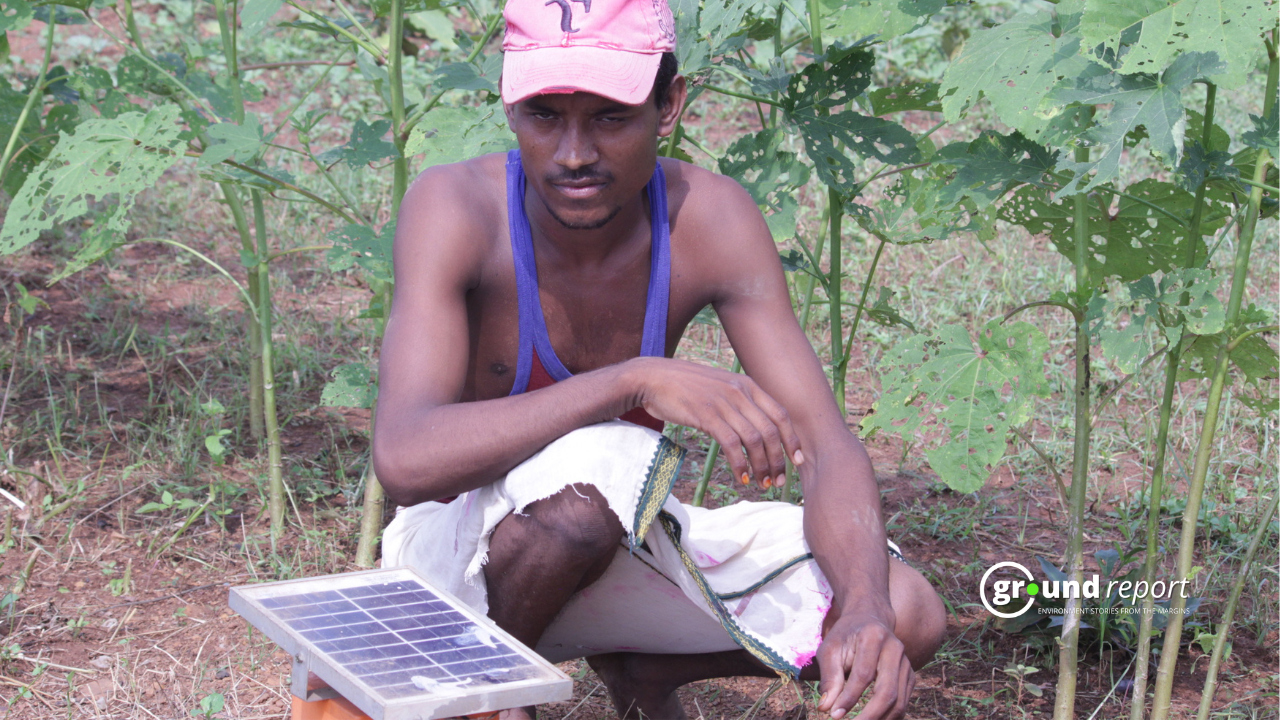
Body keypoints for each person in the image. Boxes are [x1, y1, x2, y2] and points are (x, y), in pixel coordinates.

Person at [372, 0, 947, 718]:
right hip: (455, 568)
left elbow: (826, 445)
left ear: (669, 104)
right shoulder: (456, 207)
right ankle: (483, 694)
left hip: (613, 543)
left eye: (611, 117)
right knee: (597, 475)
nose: (575, 152)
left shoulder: (708, 218)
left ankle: (644, 671)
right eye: (545, 116)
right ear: (510, 105)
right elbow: (403, 457)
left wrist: (864, 609)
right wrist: (633, 381)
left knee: (907, 608)